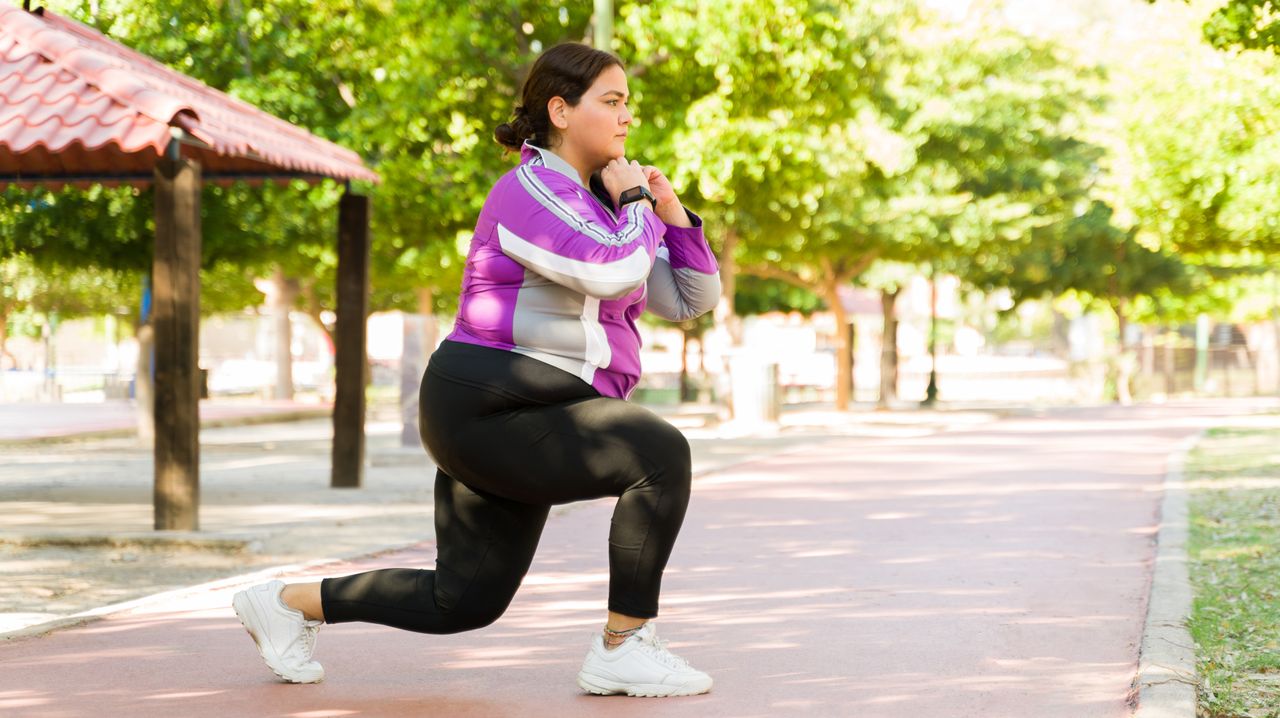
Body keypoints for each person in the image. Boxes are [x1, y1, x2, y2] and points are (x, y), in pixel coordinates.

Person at [231, 41, 721, 698]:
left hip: (539, 410)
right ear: (561, 109)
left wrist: (673, 218)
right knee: (657, 453)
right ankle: (624, 645)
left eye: (627, 102)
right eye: (612, 101)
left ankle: (286, 603)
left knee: (462, 600)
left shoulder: (606, 205)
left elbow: (689, 299)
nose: (627, 117)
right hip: (488, 401)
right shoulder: (528, 192)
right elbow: (612, 271)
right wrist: (636, 201)